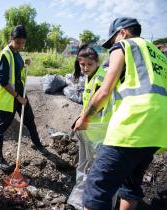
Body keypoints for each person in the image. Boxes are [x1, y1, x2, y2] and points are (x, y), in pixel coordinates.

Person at [74, 17, 167, 210]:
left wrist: (84, 117)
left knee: (95, 189)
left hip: (135, 123)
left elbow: (105, 91)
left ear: (123, 32)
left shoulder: (125, 45)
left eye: (113, 40)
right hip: (159, 130)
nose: (112, 45)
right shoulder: (158, 55)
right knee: (130, 185)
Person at [0, 25, 44, 171]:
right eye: (18, 42)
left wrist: (25, 65)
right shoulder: (5, 54)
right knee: (1, 127)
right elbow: (3, 80)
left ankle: (37, 143)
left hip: (20, 94)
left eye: (23, 43)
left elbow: (17, 73)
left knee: (29, 120)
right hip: (9, 97)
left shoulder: (16, 53)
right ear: (11, 39)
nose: (21, 45)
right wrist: (18, 97)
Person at [68, 45, 115, 209]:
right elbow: (88, 104)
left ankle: (93, 203)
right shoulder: (90, 77)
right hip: (88, 131)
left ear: (97, 63)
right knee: (82, 165)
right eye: (82, 64)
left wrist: (84, 119)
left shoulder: (101, 78)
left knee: (96, 172)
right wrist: (80, 118)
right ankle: (79, 200)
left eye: (89, 64)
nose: (85, 68)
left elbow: (99, 105)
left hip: (100, 134)